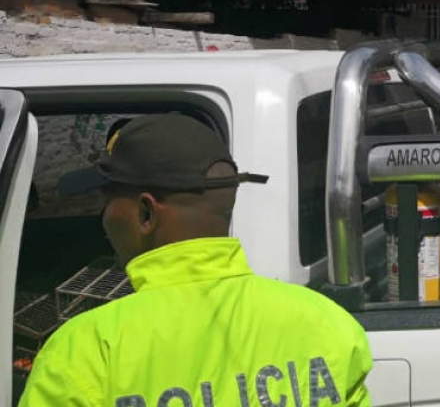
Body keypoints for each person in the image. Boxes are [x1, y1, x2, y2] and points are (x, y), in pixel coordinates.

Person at [20, 114, 373, 407]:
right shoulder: (328, 325)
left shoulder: (87, 352)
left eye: (109, 200)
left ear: (145, 212)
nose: (105, 217)